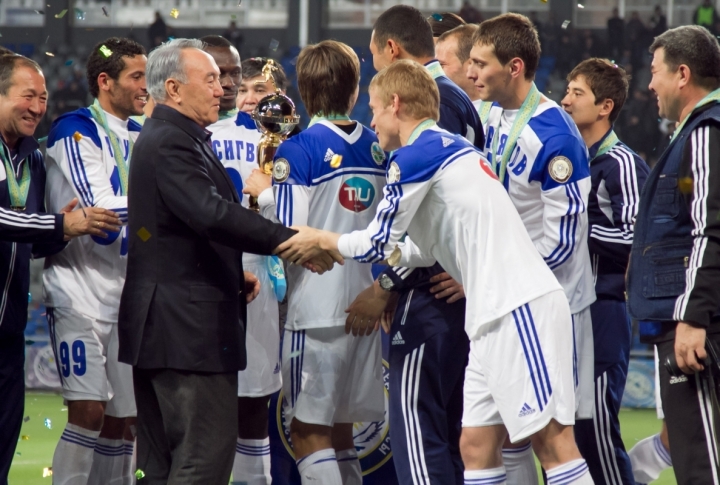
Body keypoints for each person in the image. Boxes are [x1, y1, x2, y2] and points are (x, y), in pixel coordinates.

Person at [276, 58, 595, 485]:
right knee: (476, 448)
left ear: (395, 104)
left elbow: (376, 241)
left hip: (519, 305)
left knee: (553, 444)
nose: (370, 120)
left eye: (372, 108)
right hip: (488, 315)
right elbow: (422, 251)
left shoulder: (415, 156)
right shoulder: (449, 147)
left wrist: (323, 238)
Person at [117, 38, 333, 485]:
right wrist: (291, 240)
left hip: (169, 324)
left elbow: (181, 232)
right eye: (211, 79)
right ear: (174, 90)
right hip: (187, 333)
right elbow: (210, 213)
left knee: (159, 466)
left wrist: (231, 275)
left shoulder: (172, 138)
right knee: (203, 461)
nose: (223, 90)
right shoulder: (173, 142)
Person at [244, 39, 387, 485]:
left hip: (316, 310)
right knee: (342, 432)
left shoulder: (297, 150)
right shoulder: (380, 147)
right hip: (365, 305)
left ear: (303, 92)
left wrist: (262, 192)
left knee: (307, 432)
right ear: (356, 88)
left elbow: (290, 235)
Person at [467, 13, 596, 483]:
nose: (470, 72)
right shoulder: (489, 116)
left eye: (481, 63)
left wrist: (493, 273)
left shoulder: (555, 137)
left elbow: (562, 243)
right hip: (499, 299)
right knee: (487, 440)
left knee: (548, 437)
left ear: (515, 66)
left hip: (539, 303)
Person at [360, 5, 483, 482]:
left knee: (417, 430)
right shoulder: (459, 99)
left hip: (428, 294)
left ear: (391, 49)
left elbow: (422, 210)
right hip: (444, 291)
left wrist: (387, 283)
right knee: (450, 436)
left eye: (374, 57)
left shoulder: (436, 105)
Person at [0, 53, 122, 485]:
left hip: (8, 333)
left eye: (43, 97)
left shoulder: (33, 158)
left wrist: (68, 231)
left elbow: (29, 242)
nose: (38, 107)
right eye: (27, 96)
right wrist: (58, 224)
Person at [44, 37, 147, 485]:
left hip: (127, 296)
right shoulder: (75, 128)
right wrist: (167, 200)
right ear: (105, 82)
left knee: (125, 420)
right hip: (78, 293)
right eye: (137, 77)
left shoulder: (144, 134)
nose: (147, 86)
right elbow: (99, 210)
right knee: (88, 411)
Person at [626, 25, 720, 484]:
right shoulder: (694, 134)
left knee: (701, 460)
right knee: (692, 456)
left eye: (654, 71)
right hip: (685, 318)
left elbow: (710, 228)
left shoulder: (705, 132)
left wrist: (693, 316)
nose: (649, 84)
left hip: (695, 326)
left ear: (682, 74)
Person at [561, 57, 650, 485]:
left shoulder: (622, 163)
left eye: (578, 93)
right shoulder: (570, 160)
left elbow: (639, 240)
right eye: (567, 90)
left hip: (602, 310)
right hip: (563, 312)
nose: (565, 99)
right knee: (561, 437)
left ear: (605, 106)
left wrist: (577, 227)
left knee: (594, 431)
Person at [200, 35, 279, 485]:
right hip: (214, 272)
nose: (237, 89)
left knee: (255, 406)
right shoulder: (196, 132)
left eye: (236, 75)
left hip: (264, 275)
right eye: (223, 76)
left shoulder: (279, 137)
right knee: (223, 407)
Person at [436, 24, 482, 112]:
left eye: (441, 65)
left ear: (471, 65)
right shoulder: (434, 109)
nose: (434, 72)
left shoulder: (503, 113)